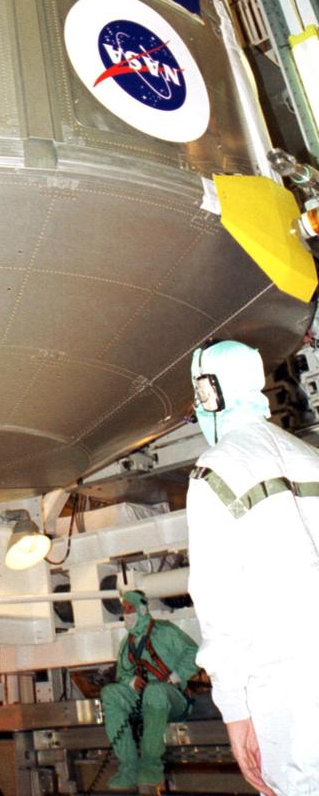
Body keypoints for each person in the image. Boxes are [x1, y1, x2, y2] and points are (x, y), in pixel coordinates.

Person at [187, 338, 319, 796]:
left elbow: (219, 605)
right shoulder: (310, 457)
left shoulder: (215, 469)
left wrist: (235, 711)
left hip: (286, 694)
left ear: (211, 393)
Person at [101, 589, 199, 789]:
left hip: (175, 700)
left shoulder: (165, 631)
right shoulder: (127, 643)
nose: (127, 613)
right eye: (124, 609)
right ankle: (128, 768)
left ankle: (151, 767)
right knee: (109, 693)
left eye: (130, 608)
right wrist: (130, 683)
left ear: (142, 609)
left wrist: (177, 675)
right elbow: (123, 674)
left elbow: (193, 652)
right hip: (144, 700)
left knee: (155, 690)